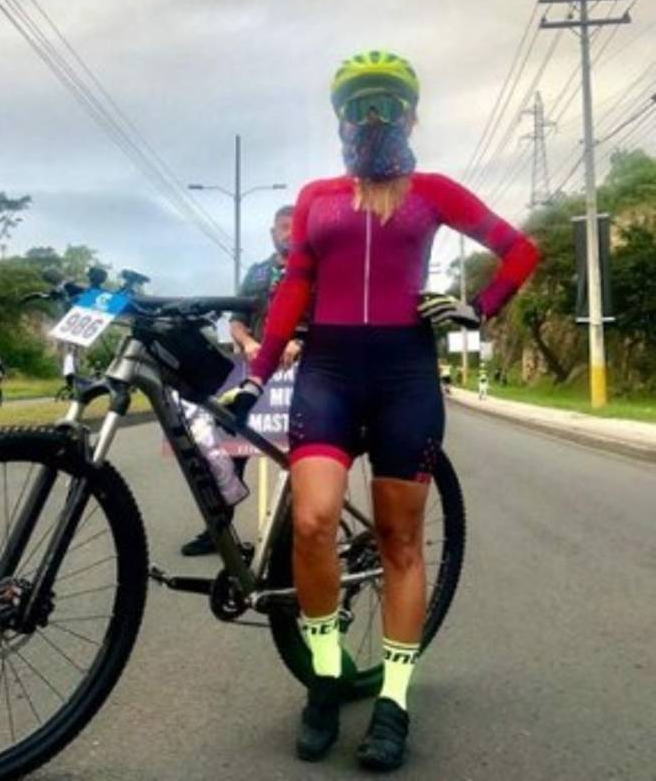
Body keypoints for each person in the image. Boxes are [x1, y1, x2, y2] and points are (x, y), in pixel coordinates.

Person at [227, 51, 539, 769]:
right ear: (339, 116)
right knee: (309, 523)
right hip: (329, 372)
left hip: (404, 372)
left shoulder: (433, 191)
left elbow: (517, 250)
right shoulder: (315, 196)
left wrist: (474, 309)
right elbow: (295, 288)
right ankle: (326, 675)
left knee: (399, 542)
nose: (372, 117)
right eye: (359, 104)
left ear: (410, 114)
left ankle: (394, 699)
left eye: (386, 104)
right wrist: (258, 374)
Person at [180, 204, 301, 556]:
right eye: (283, 227)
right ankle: (217, 532)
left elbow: (327, 317)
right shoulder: (258, 274)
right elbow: (236, 319)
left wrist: (299, 341)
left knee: (300, 454)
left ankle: (296, 532)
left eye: (296, 227)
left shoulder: (314, 268)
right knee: (232, 453)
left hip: (302, 373)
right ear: (273, 233)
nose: (290, 233)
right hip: (254, 373)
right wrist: (249, 343)